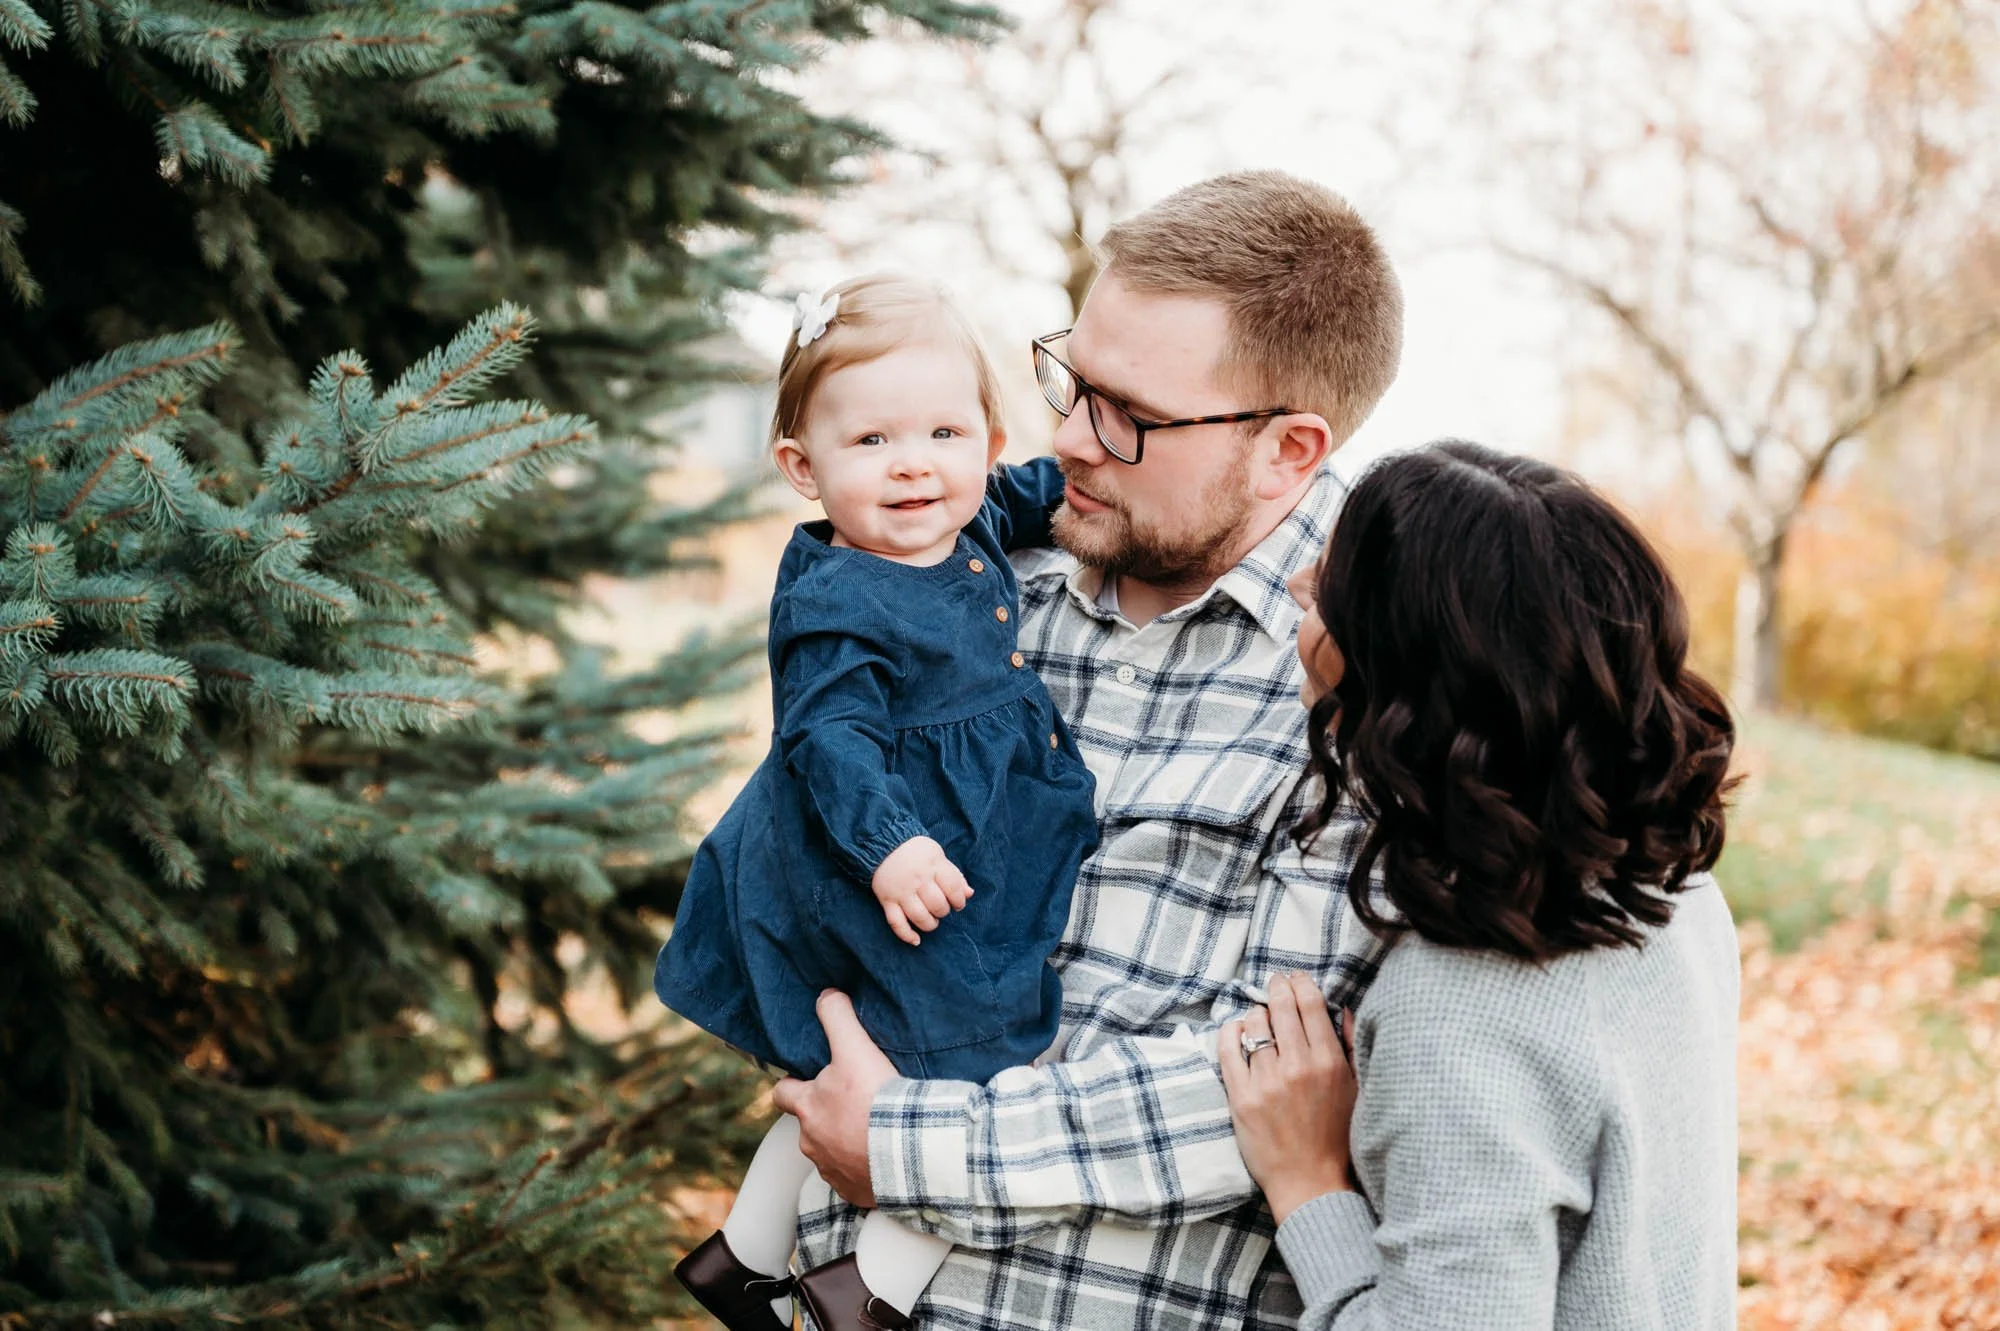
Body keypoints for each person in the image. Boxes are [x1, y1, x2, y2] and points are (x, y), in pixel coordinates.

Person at [771, 170, 1407, 1329]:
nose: (1066, 437)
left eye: (1126, 413)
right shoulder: (976, 579)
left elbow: (1268, 1086)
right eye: (1070, 377)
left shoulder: (1381, 670)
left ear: (1287, 448)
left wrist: (905, 1145)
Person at [653, 274, 1099, 1331]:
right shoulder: (838, 601)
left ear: (986, 440)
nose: (913, 463)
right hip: (887, 862)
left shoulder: (968, 513)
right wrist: (890, 843)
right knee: (978, 1059)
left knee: (864, 1064)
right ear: (803, 468)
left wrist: (1089, 476)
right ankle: (869, 1293)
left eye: (945, 432)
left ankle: (742, 1253)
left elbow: (1035, 491)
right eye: (871, 441)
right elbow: (828, 739)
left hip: (952, 848)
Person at [1221, 441, 1741, 1329]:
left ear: (1400, 681)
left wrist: (1308, 1183)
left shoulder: (1458, 1009)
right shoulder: (1675, 895)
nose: (1300, 584)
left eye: (1334, 588)